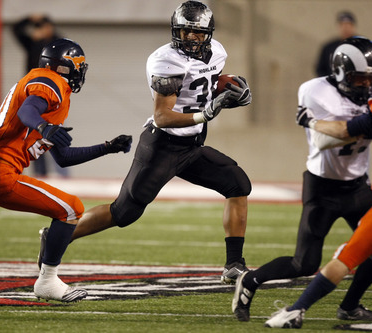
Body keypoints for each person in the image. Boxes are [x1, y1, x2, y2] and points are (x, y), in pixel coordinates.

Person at [37, 0, 253, 284]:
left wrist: (234, 93)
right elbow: (163, 116)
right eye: (184, 31)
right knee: (123, 212)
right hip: (162, 145)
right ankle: (57, 236)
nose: (189, 37)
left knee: (238, 184)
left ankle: (234, 265)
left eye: (195, 32)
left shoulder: (217, 52)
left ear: (208, 32)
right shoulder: (166, 60)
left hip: (192, 145)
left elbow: (207, 85)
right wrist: (209, 111)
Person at [0, 38, 132, 303]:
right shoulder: (51, 82)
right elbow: (28, 110)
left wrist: (107, 147)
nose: (81, 72)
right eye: (78, 66)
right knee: (71, 209)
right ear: (65, 67)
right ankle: (47, 282)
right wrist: (44, 128)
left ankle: (48, 280)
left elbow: (64, 158)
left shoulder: (56, 97)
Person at [232, 37, 372, 322]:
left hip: (358, 186)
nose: (367, 85)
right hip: (323, 188)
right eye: (360, 78)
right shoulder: (316, 91)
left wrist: (312, 120)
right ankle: (250, 280)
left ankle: (349, 307)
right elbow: (331, 137)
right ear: (342, 73)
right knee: (304, 263)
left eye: (371, 78)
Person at [264, 43, 372, 329]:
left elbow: (344, 130)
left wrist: (311, 121)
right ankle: (347, 307)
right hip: (343, 186)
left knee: (349, 255)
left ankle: (296, 310)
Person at [12, 14, 68, 178]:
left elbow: (65, 43)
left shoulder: (55, 45)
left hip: (52, 95)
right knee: (33, 135)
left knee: (56, 133)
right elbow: (15, 30)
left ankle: (63, 174)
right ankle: (40, 174)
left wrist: (47, 27)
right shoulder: (33, 43)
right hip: (34, 93)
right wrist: (29, 19)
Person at [315, 11, 357, 77]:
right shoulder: (328, 47)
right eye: (342, 25)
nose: (345, 28)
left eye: (348, 25)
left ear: (353, 26)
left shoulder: (362, 45)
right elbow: (320, 69)